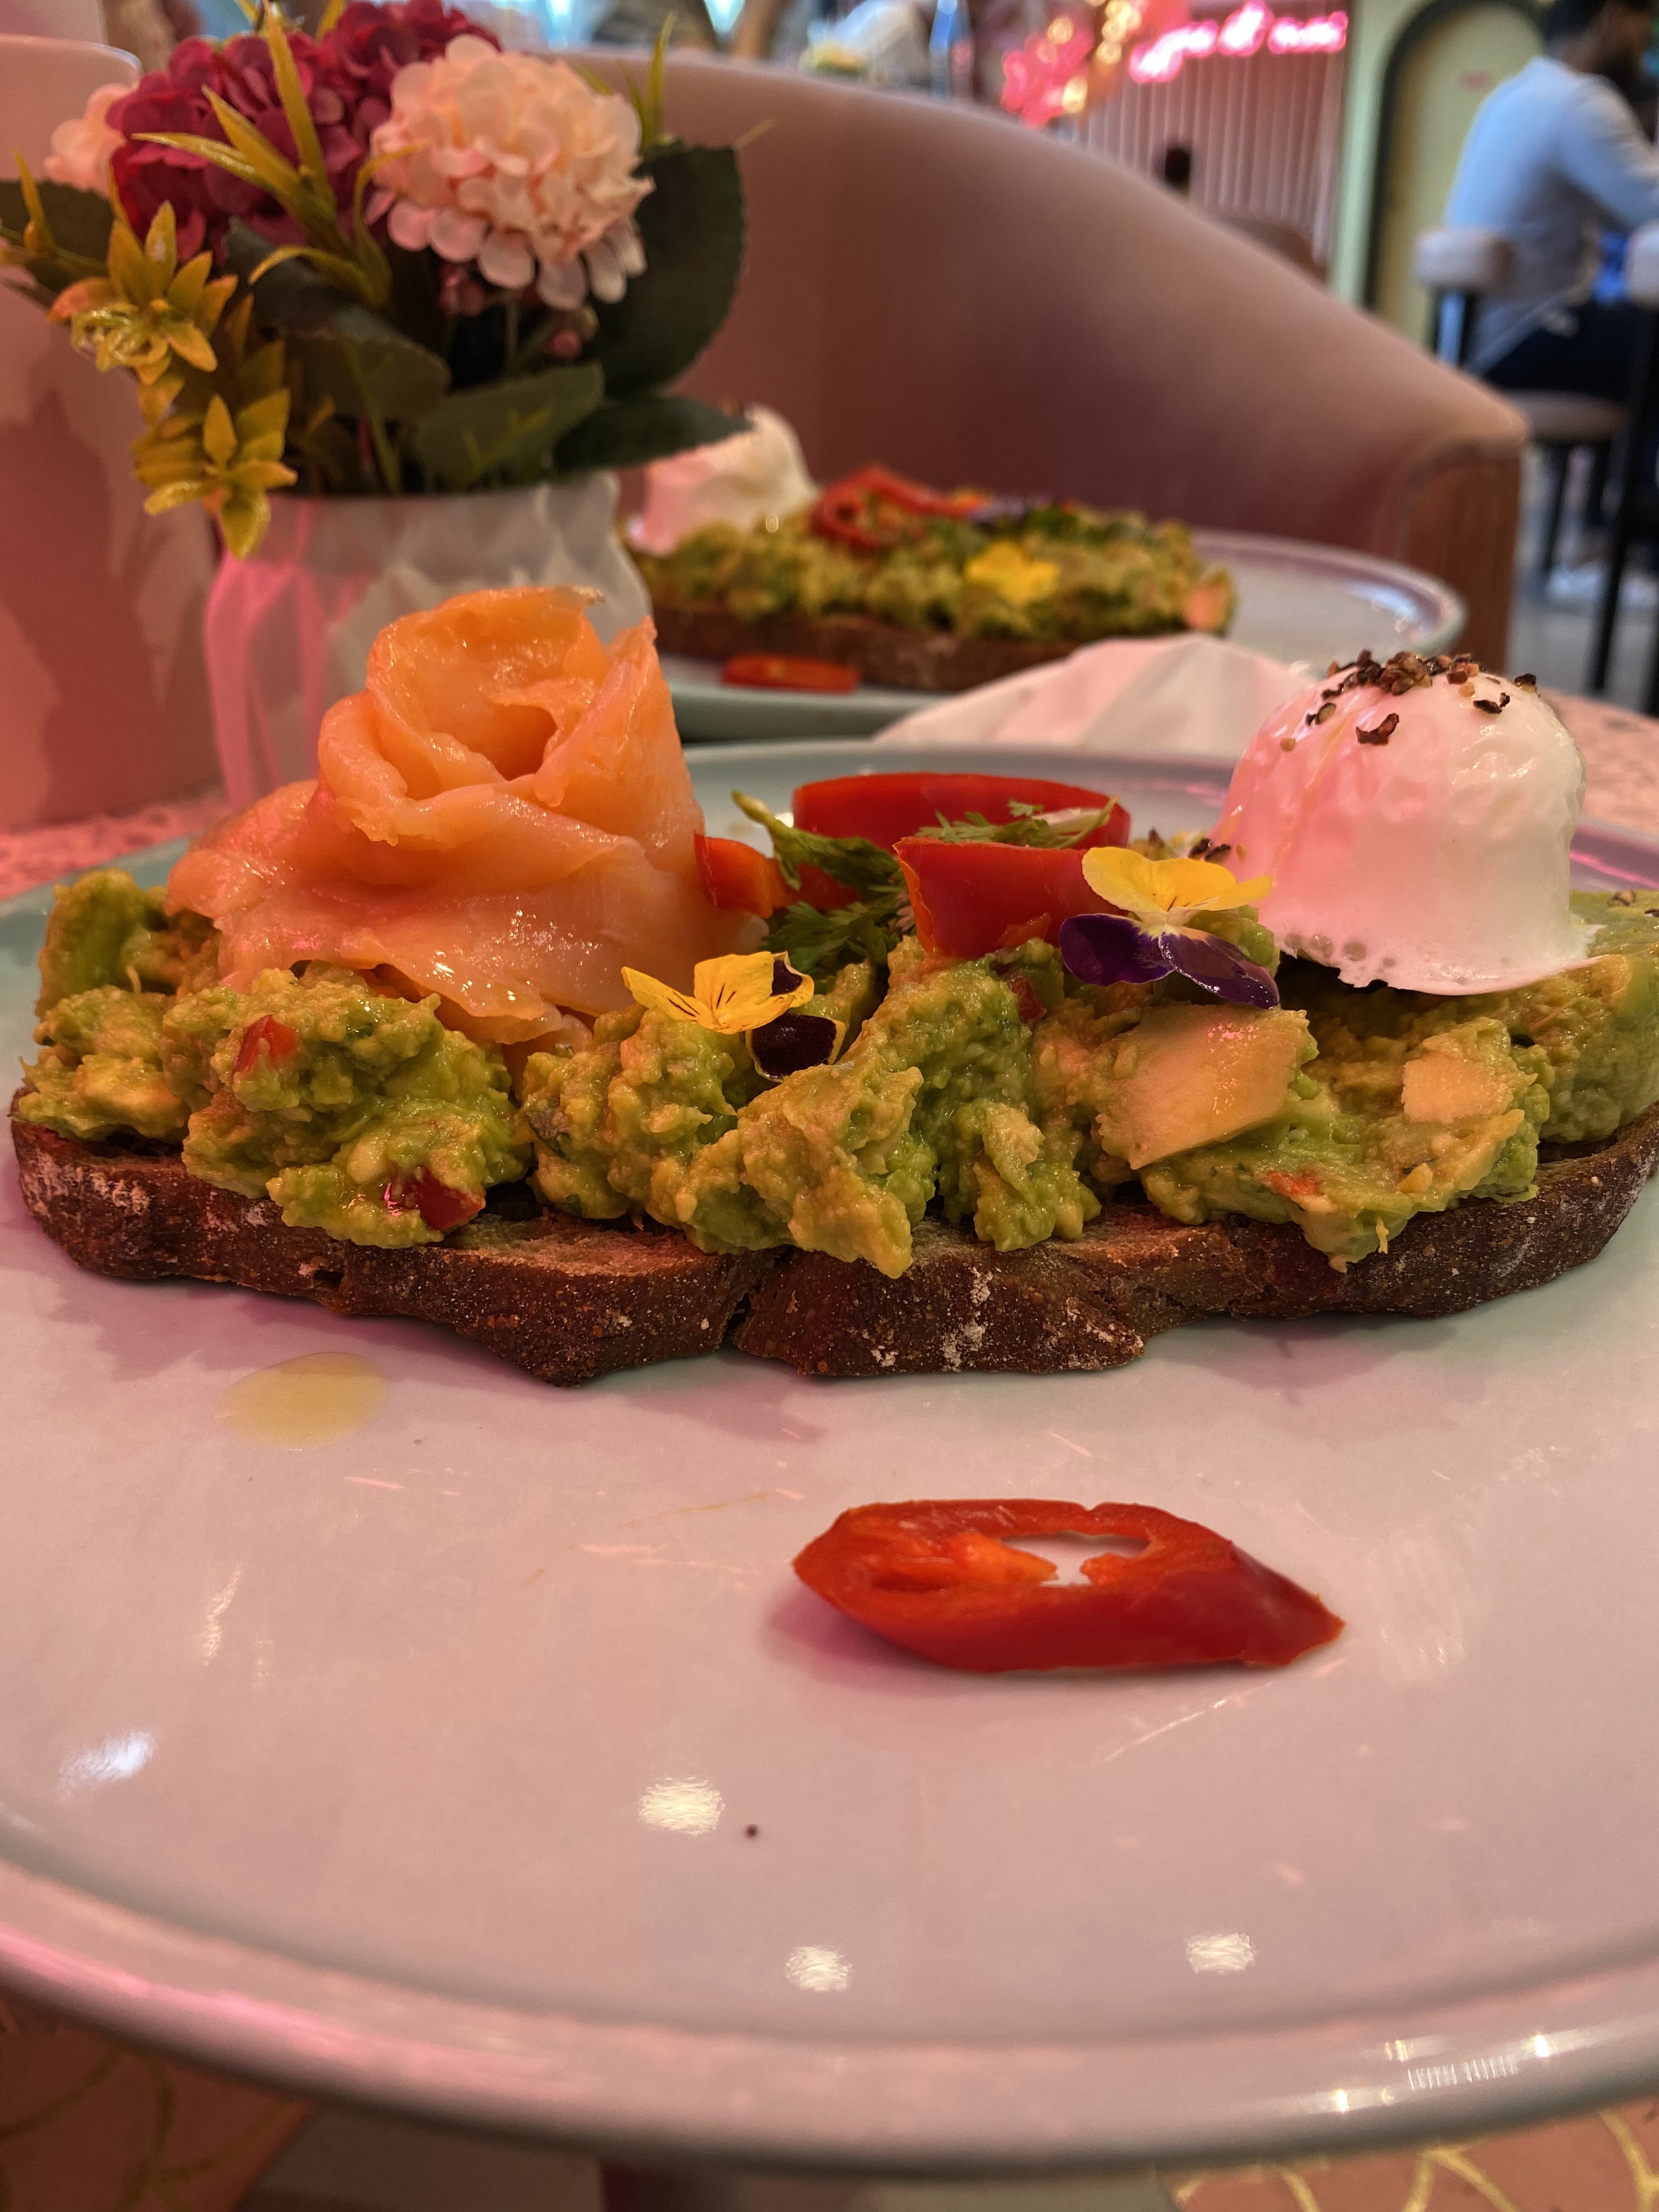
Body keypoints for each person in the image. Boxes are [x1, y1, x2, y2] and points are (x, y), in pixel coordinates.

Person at [1445, 0, 1659, 398]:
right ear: (1611, 19)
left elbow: (1622, 213)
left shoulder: (1512, 94)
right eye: (1643, 30)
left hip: (1471, 344)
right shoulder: (1581, 102)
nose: (1646, 51)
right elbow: (1651, 209)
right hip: (1524, 341)